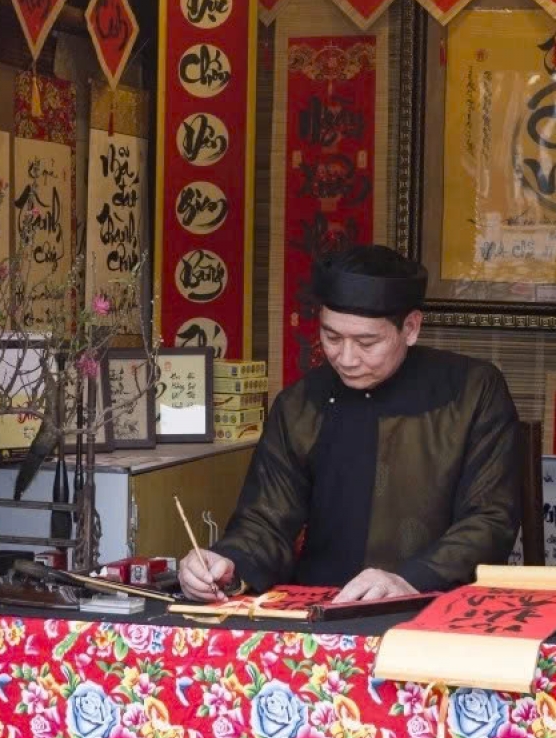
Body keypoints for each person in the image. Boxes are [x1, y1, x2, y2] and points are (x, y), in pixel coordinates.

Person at [178, 245, 524, 603]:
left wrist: (412, 580)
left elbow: (490, 520)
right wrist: (228, 563)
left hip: (435, 605)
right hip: (323, 606)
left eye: (366, 342)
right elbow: (265, 522)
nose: (345, 358)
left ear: (410, 328)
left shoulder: (472, 392)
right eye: (331, 337)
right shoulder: (300, 404)